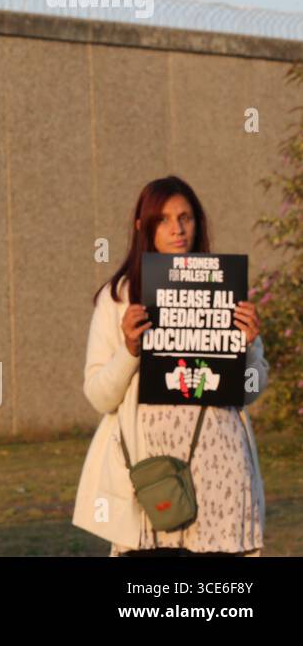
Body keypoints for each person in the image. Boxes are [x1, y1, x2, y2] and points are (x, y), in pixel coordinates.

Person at [72, 176, 268, 556]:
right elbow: (99, 396)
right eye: (162, 219)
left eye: (185, 217)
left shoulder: (222, 287)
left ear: (198, 222)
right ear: (142, 227)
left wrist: (248, 351)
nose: (177, 229)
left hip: (221, 468)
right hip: (153, 474)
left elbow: (249, 390)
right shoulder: (120, 298)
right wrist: (129, 350)